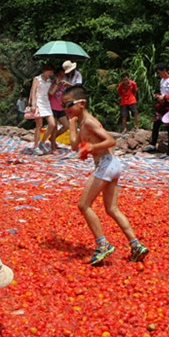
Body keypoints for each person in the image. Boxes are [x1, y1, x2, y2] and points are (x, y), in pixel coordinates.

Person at [64, 85, 148, 265]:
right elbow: (73, 145)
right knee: (112, 209)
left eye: (69, 104)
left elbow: (111, 140)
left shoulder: (89, 122)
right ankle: (136, 245)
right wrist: (72, 125)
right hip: (112, 165)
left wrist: (92, 148)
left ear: (82, 103)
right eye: (64, 105)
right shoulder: (81, 123)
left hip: (106, 164)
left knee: (84, 205)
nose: (66, 108)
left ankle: (102, 245)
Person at [144, 63, 169, 152]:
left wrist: (165, 97)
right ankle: (153, 144)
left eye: (159, 72)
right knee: (156, 124)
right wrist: (158, 95)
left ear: (165, 70)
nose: (158, 74)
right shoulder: (162, 80)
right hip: (162, 105)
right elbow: (163, 92)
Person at [26, 64, 56, 155]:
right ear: (45, 70)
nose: (50, 74)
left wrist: (57, 83)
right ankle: (35, 146)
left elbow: (50, 92)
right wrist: (33, 104)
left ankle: (42, 142)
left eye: (52, 72)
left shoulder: (49, 80)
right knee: (39, 125)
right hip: (38, 102)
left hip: (46, 102)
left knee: (52, 124)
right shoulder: (37, 79)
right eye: (49, 72)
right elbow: (33, 91)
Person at [48, 67, 72, 153]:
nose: (62, 76)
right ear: (56, 74)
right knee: (54, 127)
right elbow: (51, 93)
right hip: (52, 108)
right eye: (60, 75)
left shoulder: (63, 84)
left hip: (61, 108)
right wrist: (57, 84)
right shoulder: (51, 83)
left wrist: (68, 84)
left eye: (63, 75)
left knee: (66, 126)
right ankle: (53, 147)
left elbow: (75, 88)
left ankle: (52, 139)